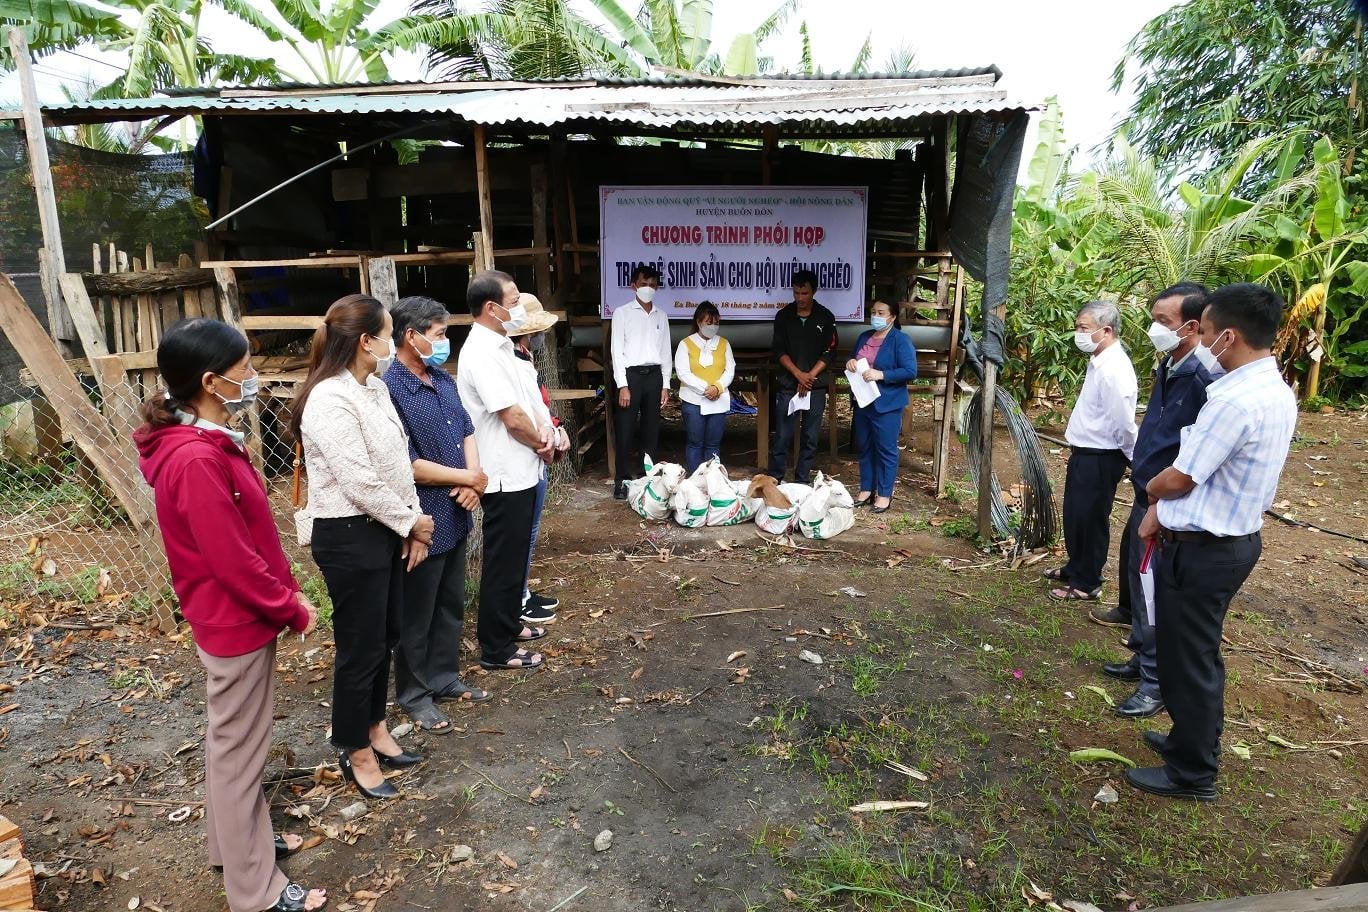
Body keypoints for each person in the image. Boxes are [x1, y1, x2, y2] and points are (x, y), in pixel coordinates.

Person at [134, 319, 326, 912]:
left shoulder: (205, 440)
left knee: (232, 743)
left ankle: (237, 846)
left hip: (230, 616)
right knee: (241, 750)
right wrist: (288, 605)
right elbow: (231, 558)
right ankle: (256, 890)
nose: (254, 375)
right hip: (235, 618)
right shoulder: (195, 458)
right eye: (245, 368)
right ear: (212, 381)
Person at [1128, 283, 1297, 801]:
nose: (1198, 344)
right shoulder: (1275, 389)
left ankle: (1193, 772)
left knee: (1189, 659)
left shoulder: (1233, 400)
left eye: (1202, 333)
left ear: (1226, 336)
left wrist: (1152, 490)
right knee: (1193, 652)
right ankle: (1187, 742)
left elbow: (1181, 477)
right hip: (1229, 541)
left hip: (1205, 549)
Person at [292, 294, 431, 801]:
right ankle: (355, 747)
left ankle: (374, 726)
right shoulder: (329, 399)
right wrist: (412, 522)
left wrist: (408, 519)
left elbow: (397, 461)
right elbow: (358, 480)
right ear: (365, 340)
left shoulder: (371, 387)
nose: (392, 342)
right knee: (361, 647)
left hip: (384, 528)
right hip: (349, 534)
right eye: (389, 333)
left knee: (387, 634)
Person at [1094, 283, 1213, 721]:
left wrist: (1164, 502)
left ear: (1192, 326)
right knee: (1138, 583)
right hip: (1146, 490)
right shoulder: (1171, 364)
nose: (1154, 328)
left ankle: (1155, 683)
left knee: (1154, 592)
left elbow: (1196, 452)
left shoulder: (1203, 378)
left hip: (1167, 500)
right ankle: (1141, 656)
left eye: (1163, 321)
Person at [382, 295, 491, 736]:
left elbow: (467, 430)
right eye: (440, 334)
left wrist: (472, 480)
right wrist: (467, 477)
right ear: (411, 336)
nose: (446, 342)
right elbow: (407, 465)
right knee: (417, 611)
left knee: (449, 603)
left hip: (457, 510)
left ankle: (445, 675)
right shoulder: (390, 389)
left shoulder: (442, 380)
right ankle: (414, 692)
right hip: (421, 521)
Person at [458, 271, 567, 670]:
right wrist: (544, 444)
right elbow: (512, 416)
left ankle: (508, 624)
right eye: (515, 299)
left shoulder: (502, 346)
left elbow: (530, 405)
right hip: (503, 472)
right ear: (492, 308)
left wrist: (552, 436)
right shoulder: (482, 352)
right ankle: (495, 647)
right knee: (503, 561)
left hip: (523, 466)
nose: (520, 307)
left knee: (516, 555)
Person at [1045, 300, 1138, 601]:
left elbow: (1123, 423)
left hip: (1101, 456)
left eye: (1083, 328)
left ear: (1106, 330)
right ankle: (1075, 567)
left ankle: (1088, 581)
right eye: (1077, 327)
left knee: (1091, 518)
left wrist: (1131, 455)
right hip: (1085, 452)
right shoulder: (1099, 361)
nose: (1078, 334)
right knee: (1076, 515)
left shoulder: (1115, 369)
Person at [506, 292, 568, 625]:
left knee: (528, 531)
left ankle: (523, 592)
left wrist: (556, 427)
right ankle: (518, 597)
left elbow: (540, 408)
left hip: (535, 454)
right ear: (526, 331)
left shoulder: (524, 358)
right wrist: (547, 441)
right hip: (525, 455)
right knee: (523, 533)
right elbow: (521, 414)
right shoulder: (512, 363)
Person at [845, 300, 918, 513]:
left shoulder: (901, 340)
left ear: (893, 317)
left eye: (881, 312)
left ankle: (884, 494)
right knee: (865, 446)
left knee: (886, 449)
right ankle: (867, 489)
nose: (875, 315)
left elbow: (910, 371)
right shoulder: (864, 337)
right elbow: (856, 360)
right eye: (873, 312)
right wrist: (851, 362)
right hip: (862, 401)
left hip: (887, 403)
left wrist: (882, 375)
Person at [768, 270, 838, 483]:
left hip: (815, 386)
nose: (800, 298)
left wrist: (810, 376)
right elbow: (778, 351)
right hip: (789, 384)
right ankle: (775, 478)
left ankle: (802, 480)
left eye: (805, 293)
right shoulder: (784, 316)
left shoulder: (825, 317)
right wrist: (799, 375)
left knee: (810, 437)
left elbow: (830, 351)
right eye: (796, 292)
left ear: (814, 292)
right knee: (782, 436)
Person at [610, 264, 671, 499]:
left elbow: (665, 352)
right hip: (631, 377)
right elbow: (617, 352)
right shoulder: (622, 313)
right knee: (625, 430)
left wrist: (666, 384)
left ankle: (649, 479)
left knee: (651, 430)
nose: (649, 289)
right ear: (633, 285)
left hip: (654, 376)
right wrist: (622, 385)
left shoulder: (661, 315)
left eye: (653, 285)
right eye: (644, 284)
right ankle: (622, 480)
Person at [673, 301, 735, 473]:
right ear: (699, 322)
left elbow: (730, 370)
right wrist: (706, 389)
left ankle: (712, 481)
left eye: (716, 323)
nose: (713, 326)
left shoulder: (724, 343)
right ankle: (694, 481)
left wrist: (718, 387)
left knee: (713, 444)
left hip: (718, 400)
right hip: (693, 400)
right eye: (709, 323)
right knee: (695, 443)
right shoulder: (685, 344)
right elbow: (683, 372)